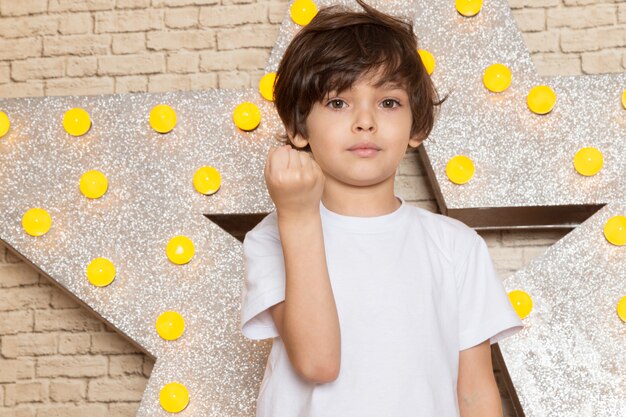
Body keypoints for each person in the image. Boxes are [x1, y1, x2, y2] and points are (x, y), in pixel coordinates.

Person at [239, 0, 523, 415]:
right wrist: (297, 215)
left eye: (388, 102)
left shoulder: (455, 246)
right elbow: (318, 362)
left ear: (417, 126)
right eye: (338, 102)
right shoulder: (274, 234)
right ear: (298, 127)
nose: (365, 121)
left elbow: (475, 392)